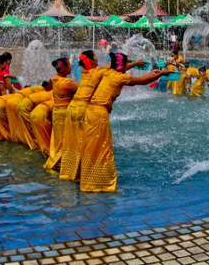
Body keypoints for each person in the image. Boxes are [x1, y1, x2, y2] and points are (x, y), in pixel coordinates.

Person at [80, 52, 169, 193]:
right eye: (126, 63)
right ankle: (100, 183)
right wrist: (160, 73)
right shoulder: (120, 77)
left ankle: (87, 179)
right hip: (99, 114)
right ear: (121, 65)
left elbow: (115, 66)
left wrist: (134, 64)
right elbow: (143, 81)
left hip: (90, 111)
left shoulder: (108, 72)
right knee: (103, 148)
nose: (128, 66)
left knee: (92, 147)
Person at [59, 50, 111, 182]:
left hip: (71, 109)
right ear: (91, 60)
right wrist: (133, 64)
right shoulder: (96, 72)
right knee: (87, 143)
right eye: (94, 56)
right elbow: (114, 67)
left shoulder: (84, 73)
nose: (97, 57)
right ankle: (86, 175)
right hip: (82, 110)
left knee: (74, 143)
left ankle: (70, 173)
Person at [44, 58, 78, 171]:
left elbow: (46, 88)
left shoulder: (55, 79)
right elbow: (81, 94)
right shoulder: (68, 82)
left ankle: (56, 162)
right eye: (69, 64)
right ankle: (62, 164)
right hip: (64, 113)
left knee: (58, 140)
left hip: (56, 112)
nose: (71, 66)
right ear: (64, 68)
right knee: (66, 139)